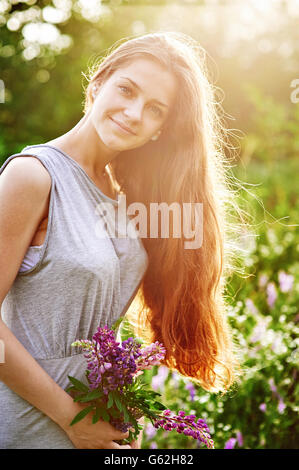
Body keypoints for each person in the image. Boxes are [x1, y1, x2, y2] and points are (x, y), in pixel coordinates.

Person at [0, 31, 242, 449]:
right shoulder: (33, 176)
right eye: (126, 90)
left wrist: (109, 413)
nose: (133, 113)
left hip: (95, 425)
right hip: (28, 423)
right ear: (98, 83)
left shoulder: (124, 196)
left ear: (159, 131)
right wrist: (71, 418)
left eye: (154, 110)